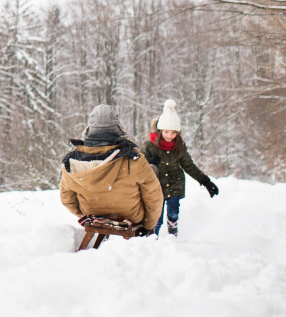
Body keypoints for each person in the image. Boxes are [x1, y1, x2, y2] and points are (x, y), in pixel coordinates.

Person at [59, 103, 164, 236]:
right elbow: (153, 195)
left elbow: (66, 197)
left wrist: (83, 214)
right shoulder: (133, 158)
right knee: (152, 170)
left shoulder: (72, 160)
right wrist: (148, 225)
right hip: (130, 215)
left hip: (92, 213)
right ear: (117, 128)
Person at [140, 100, 219, 237]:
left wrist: (206, 181)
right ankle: (152, 239)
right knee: (156, 215)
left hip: (174, 184)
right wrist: (149, 161)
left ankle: (172, 229)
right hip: (156, 186)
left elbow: (189, 166)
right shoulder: (149, 146)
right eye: (166, 132)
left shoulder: (179, 147)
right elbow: (137, 165)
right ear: (160, 130)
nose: (170, 136)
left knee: (173, 211)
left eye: (173, 133)